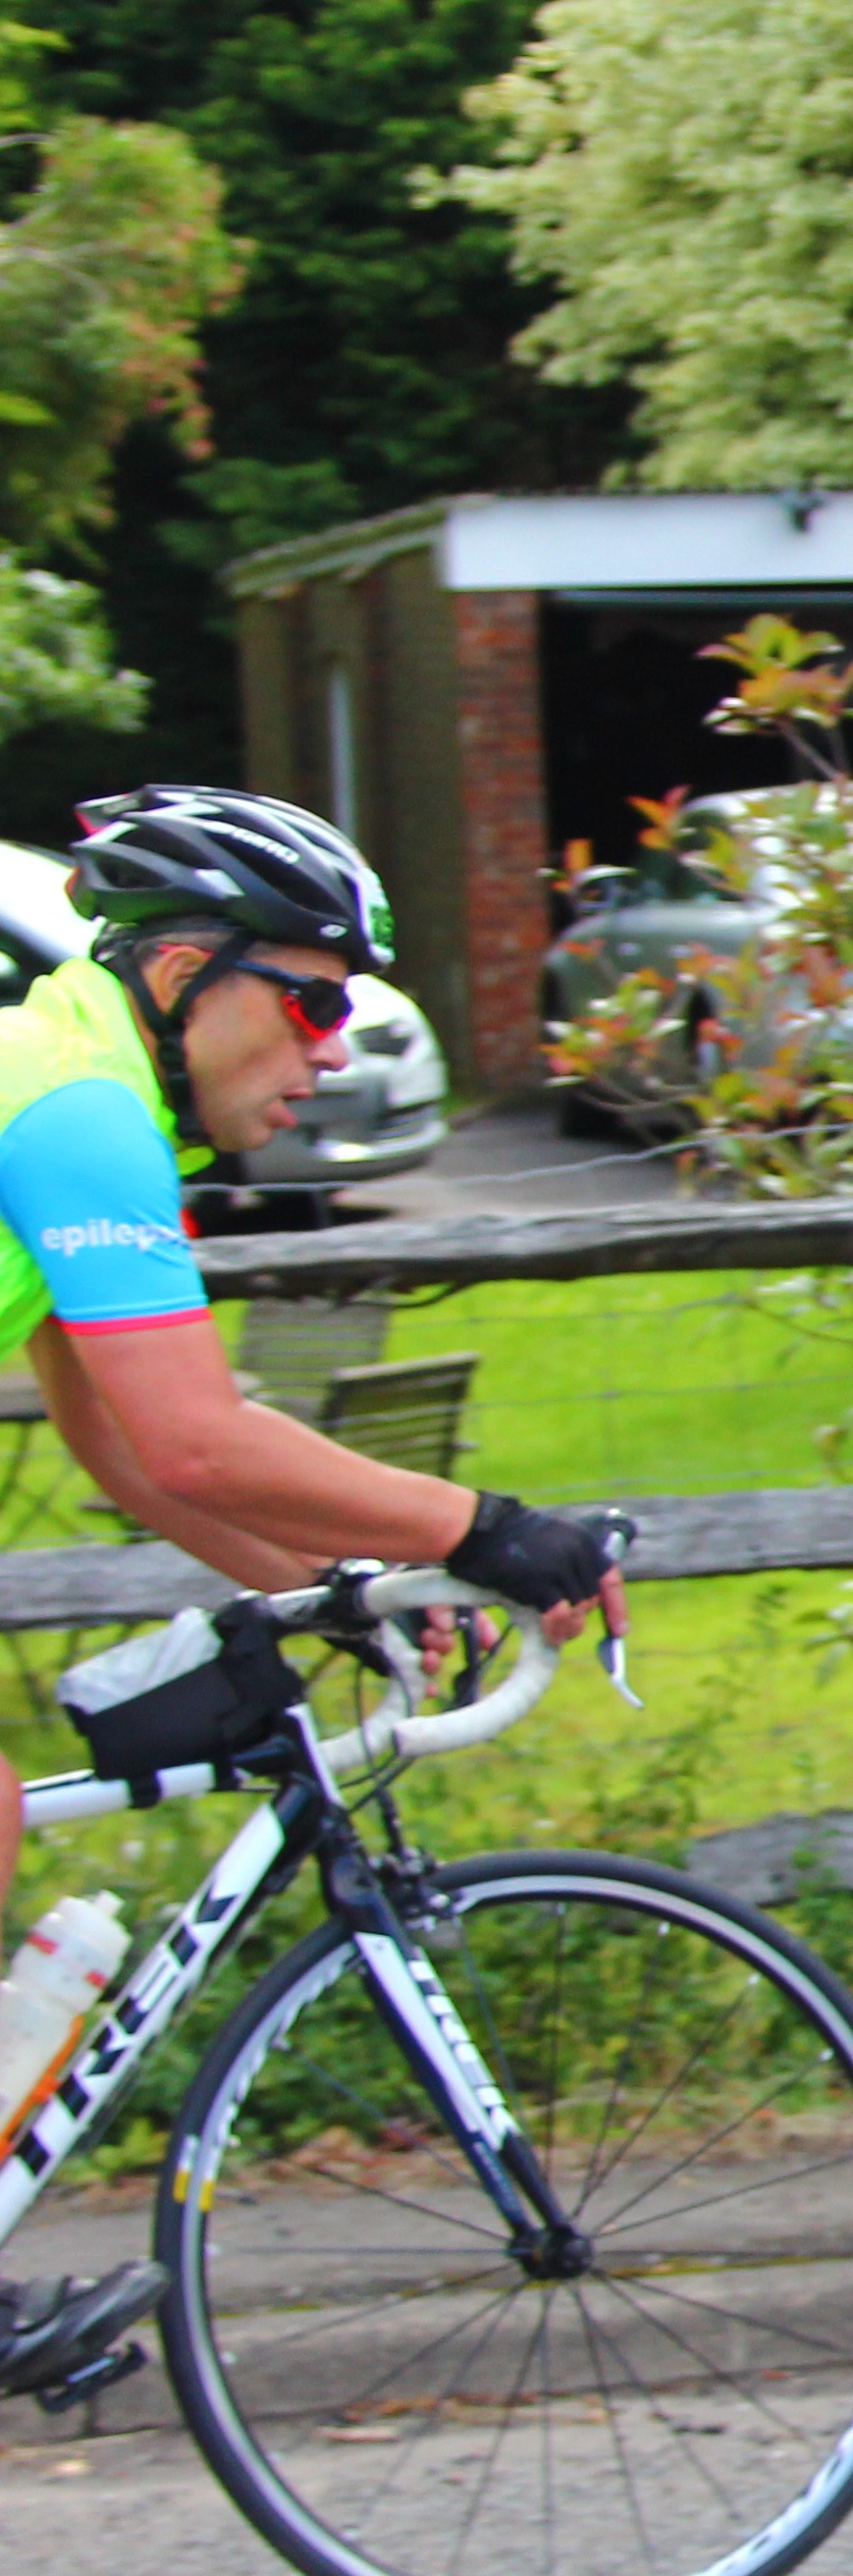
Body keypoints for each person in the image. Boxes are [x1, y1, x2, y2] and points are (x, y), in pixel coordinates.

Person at [0, 789, 631, 2406]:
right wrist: (490, 1530)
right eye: (311, 997)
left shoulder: (72, 1079)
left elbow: (129, 1444)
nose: (333, 1047)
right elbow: (201, 1441)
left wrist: (345, 1586)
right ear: (186, 970)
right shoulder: (76, 1108)